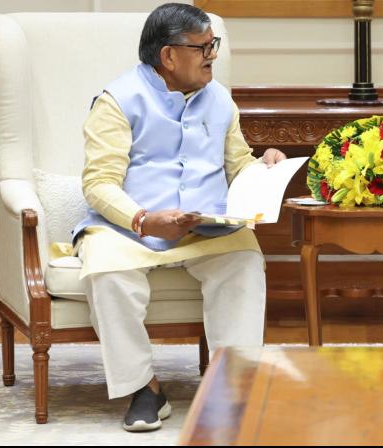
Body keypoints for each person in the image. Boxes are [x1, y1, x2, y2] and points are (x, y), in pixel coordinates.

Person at [72, 3, 286, 432]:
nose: (213, 54)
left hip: (205, 225)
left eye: (214, 45)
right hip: (129, 225)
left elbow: (237, 162)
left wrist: (263, 169)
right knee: (108, 274)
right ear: (168, 56)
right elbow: (99, 182)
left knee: (243, 262)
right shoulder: (117, 101)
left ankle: (232, 385)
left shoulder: (220, 97)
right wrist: (144, 220)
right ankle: (143, 389)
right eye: (203, 47)